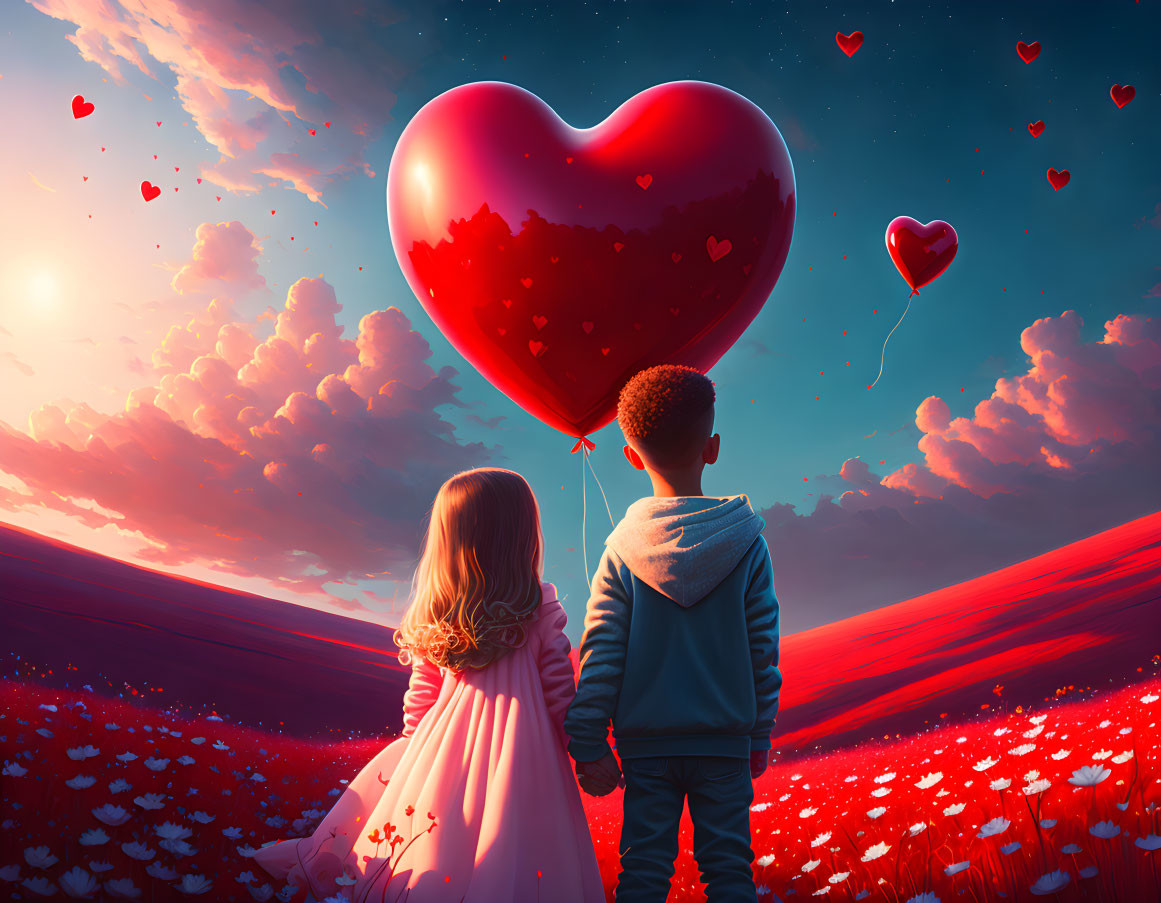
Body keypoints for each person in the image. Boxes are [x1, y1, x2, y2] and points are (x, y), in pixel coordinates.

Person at [253, 467, 605, 903]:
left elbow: (421, 697)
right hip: (522, 759)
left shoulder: (439, 613)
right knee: (511, 842)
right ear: (522, 537)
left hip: (441, 752)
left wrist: (413, 752)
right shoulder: (539, 609)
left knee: (435, 835)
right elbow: (559, 694)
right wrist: (585, 753)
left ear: (449, 540)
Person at [565, 364, 782, 903]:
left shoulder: (620, 551)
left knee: (642, 873)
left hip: (645, 748)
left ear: (631, 456)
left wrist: (588, 740)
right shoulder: (748, 544)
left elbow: (602, 654)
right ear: (712, 448)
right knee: (730, 873)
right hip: (724, 743)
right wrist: (759, 733)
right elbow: (763, 651)